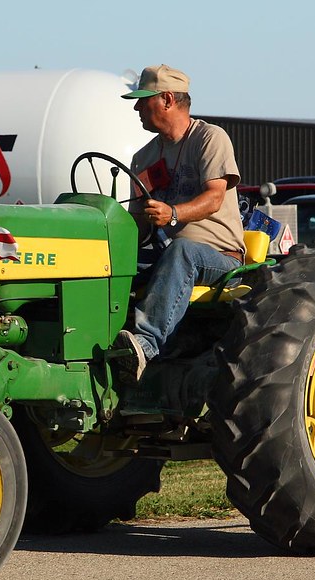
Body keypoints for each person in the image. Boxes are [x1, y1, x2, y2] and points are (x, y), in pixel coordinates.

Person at [114, 64, 246, 382]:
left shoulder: (210, 138)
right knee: (110, 263)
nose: (136, 108)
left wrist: (172, 214)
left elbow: (214, 197)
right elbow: (139, 225)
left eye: (143, 100)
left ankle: (146, 345)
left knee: (182, 250)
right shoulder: (143, 158)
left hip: (219, 257)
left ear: (168, 99)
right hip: (166, 253)